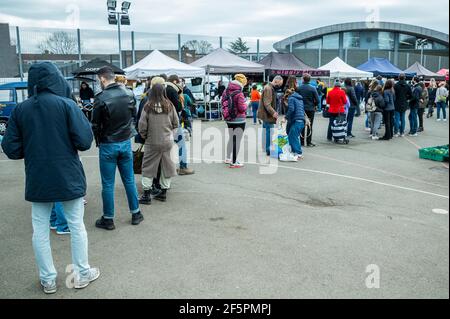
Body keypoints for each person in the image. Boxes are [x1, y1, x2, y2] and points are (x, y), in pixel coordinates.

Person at [1, 62, 99, 294]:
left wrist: (33, 147)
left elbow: (11, 149)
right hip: (69, 176)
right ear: (56, 79)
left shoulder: (21, 109)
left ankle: (48, 279)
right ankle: (82, 273)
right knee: (76, 226)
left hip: (38, 178)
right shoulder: (67, 105)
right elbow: (85, 141)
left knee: (40, 229)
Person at [92, 66, 144, 230]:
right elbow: (134, 116)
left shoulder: (101, 98)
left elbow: (95, 124)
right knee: (129, 180)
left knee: (108, 184)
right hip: (124, 141)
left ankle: (108, 218)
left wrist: (99, 139)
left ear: (102, 79)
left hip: (108, 143)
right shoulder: (128, 93)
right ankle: (136, 213)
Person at [138, 84, 179, 203]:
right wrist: (171, 136)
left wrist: (145, 136)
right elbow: (176, 123)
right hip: (167, 141)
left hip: (152, 141)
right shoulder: (169, 105)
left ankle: (146, 194)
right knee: (167, 166)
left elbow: (142, 125)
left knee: (148, 167)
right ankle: (163, 192)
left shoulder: (147, 106)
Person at [165, 75, 195, 176]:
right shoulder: (172, 90)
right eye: (179, 82)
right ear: (174, 81)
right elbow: (178, 107)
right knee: (181, 144)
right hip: (173, 122)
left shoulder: (161, 89)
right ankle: (183, 167)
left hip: (162, 123)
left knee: (165, 147)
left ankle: (165, 168)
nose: (180, 84)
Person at [221, 74, 248, 168]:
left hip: (229, 119)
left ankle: (228, 158)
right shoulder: (239, 93)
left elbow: (222, 102)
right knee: (237, 140)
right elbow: (242, 108)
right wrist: (247, 104)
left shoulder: (226, 91)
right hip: (239, 119)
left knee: (231, 138)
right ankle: (234, 161)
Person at [258, 76, 283, 156]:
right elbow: (267, 103)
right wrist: (274, 113)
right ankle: (268, 149)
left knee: (266, 131)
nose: (280, 86)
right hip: (267, 115)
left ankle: (265, 148)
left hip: (266, 114)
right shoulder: (269, 88)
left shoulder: (269, 87)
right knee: (269, 132)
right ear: (276, 81)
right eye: (279, 84)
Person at [297, 74, 319, 147]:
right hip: (310, 109)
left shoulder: (299, 88)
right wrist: (314, 104)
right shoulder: (313, 88)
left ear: (303, 79)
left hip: (301, 109)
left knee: (302, 125)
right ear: (309, 80)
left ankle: (302, 142)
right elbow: (318, 100)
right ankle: (309, 142)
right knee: (310, 125)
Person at [284, 88, 305, 160]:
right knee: (294, 136)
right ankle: (295, 151)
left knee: (292, 136)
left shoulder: (291, 99)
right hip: (301, 120)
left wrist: (285, 118)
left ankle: (298, 153)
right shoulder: (300, 99)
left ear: (288, 96)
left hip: (297, 121)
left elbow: (291, 109)